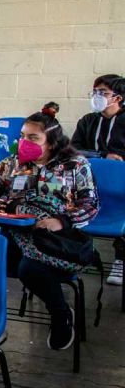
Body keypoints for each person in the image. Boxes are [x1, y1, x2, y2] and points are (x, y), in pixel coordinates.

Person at [0, 103, 99, 351]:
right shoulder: (11, 164)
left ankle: (61, 314)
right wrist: (14, 207)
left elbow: (90, 204)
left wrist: (61, 221)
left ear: (51, 141)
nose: (24, 142)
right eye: (22, 136)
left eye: (33, 138)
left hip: (57, 237)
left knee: (30, 268)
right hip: (16, 232)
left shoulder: (75, 165)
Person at [70, 74, 125, 285]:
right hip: (86, 182)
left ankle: (121, 260)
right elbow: (73, 150)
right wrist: (102, 156)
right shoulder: (88, 121)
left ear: (118, 98)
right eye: (95, 92)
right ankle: (78, 254)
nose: (97, 96)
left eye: (103, 93)